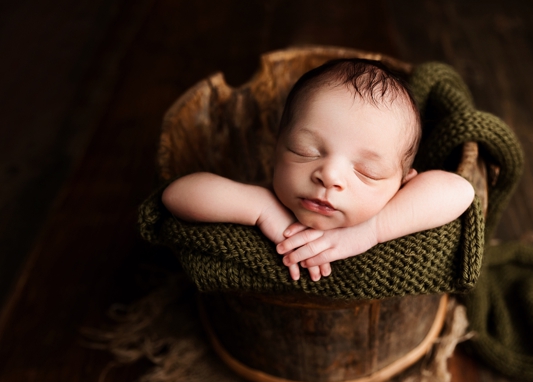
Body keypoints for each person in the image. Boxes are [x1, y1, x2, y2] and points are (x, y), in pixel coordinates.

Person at [162, 59, 475, 281]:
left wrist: (372, 230)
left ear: (402, 185)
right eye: (305, 151)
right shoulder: (267, 198)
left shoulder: (395, 211)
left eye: (367, 171)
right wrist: (260, 208)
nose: (329, 176)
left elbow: (460, 191)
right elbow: (176, 195)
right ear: (275, 149)